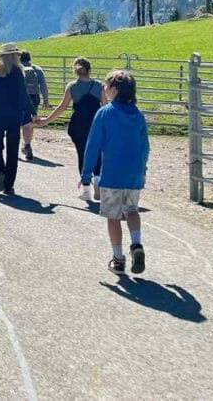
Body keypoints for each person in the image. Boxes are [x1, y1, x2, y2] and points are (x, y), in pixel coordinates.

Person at [81, 70, 149, 274]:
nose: (104, 88)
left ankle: (118, 259)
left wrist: (86, 175)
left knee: (113, 216)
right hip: (134, 173)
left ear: (115, 90)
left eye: (106, 85)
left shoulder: (104, 113)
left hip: (112, 173)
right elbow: (145, 146)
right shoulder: (138, 115)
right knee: (132, 210)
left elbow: (93, 145)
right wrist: (143, 169)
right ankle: (136, 244)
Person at [44, 57, 104, 202]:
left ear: (75, 71)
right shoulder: (99, 86)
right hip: (95, 124)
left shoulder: (72, 87)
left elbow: (62, 107)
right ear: (90, 70)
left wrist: (46, 120)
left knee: (82, 154)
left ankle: (86, 190)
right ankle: (97, 180)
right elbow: (105, 105)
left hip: (77, 125)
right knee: (97, 152)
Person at [0, 42, 33, 195]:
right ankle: (9, 184)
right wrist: (31, 113)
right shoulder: (17, 72)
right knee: (12, 148)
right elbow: (23, 95)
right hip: (14, 116)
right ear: (12, 56)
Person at [19, 51, 50, 161]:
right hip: (34, 97)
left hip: (19, 98)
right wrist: (45, 99)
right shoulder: (37, 69)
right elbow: (43, 84)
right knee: (30, 123)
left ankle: (14, 146)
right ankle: (27, 145)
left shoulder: (17, 69)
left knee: (17, 123)